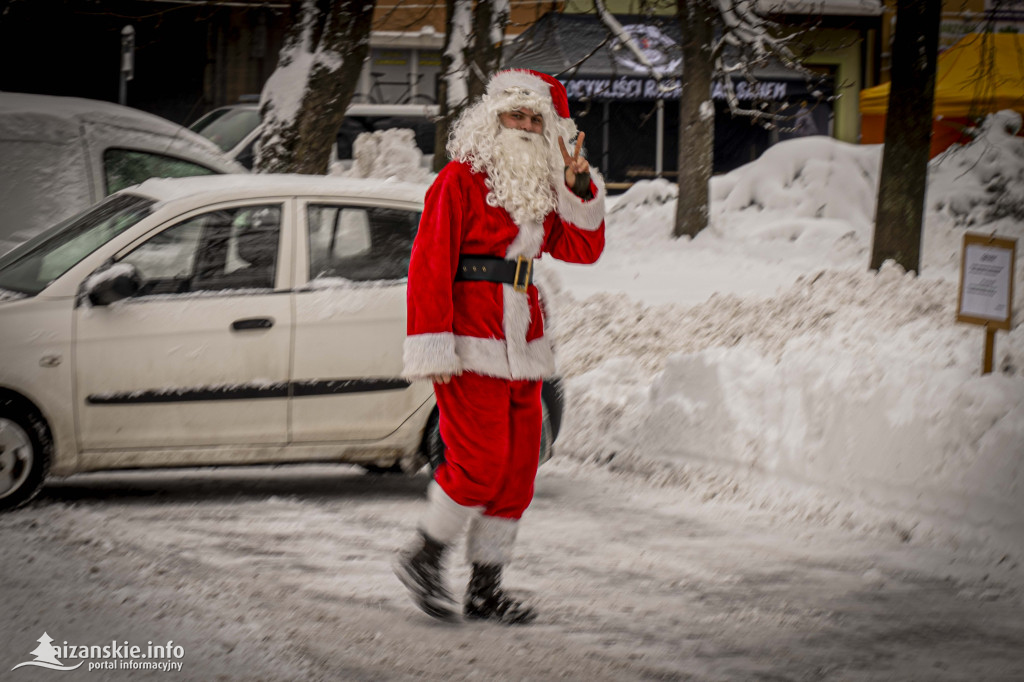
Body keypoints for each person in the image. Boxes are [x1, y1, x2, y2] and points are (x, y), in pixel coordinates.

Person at [394, 69, 607, 625]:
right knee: (479, 464)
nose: (524, 125)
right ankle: (425, 555)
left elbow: (582, 250)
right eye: (516, 115)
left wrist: (578, 187)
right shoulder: (458, 181)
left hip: (524, 343)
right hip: (470, 343)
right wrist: (432, 347)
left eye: (535, 119)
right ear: (492, 119)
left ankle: (486, 587)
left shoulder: (540, 184)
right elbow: (428, 266)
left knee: (516, 472)